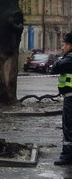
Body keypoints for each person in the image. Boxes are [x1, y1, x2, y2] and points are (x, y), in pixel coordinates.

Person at [54, 33, 72, 165]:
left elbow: (55, 67)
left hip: (70, 99)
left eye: (63, 44)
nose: (62, 47)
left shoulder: (69, 59)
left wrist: (60, 59)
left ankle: (67, 156)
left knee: (68, 127)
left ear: (70, 46)